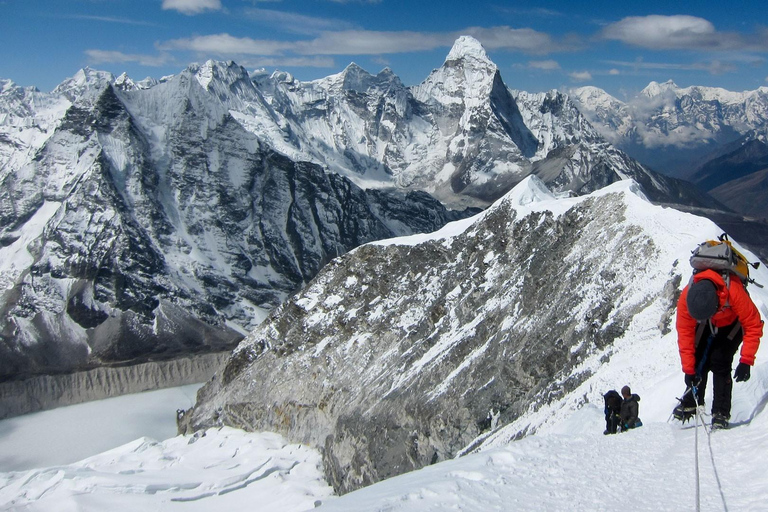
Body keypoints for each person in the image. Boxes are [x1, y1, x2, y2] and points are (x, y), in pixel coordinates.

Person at [673, 268, 763, 429]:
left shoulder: (733, 291)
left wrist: (746, 360)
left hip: (732, 322)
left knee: (720, 361)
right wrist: (688, 370)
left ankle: (720, 412)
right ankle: (692, 401)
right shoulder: (687, 297)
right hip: (708, 322)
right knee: (699, 357)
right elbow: (685, 334)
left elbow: (753, 325)